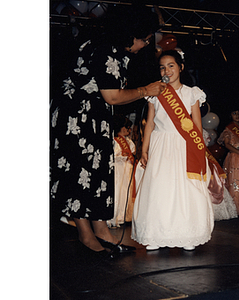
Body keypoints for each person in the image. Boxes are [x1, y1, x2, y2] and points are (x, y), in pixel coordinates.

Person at [50, 4, 167, 257]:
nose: (146, 44)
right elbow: (112, 96)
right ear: (130, 34)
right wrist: (146, 90)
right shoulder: (105, 50)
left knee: (99, 174)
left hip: (94, 118)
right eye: (144, 39)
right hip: (77, 119)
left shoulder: (109, 48)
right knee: (80, 172)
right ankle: (85, 234)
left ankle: (102, 231)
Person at [131, 50, 214, 251]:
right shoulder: (156, 93)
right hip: (160, 145)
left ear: (180, 67)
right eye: (162, 67)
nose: (166, 70)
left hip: (185, 145)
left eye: (171, 65)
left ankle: (187, 235)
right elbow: (149, 124)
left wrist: (200, 149)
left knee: (184, 189)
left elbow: (196, 124)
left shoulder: (192, 93)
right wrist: (144, 148)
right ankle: (156, 235)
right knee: (159, 188)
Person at [217, 108, 239, 216]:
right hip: (235, 157)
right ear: (230, 115)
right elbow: (227, 145)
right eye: (234, 113)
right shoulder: (228, 129)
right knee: (237, 181)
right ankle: (237, 208)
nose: (237, 116)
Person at [107, 115, 136, 228]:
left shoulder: (129, 141)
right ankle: (113, 218)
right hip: (118, 170)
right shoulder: (114, 140)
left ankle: (122, 217)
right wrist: (121, 156)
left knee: (125, 193)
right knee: (117, 192)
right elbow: (112, 155)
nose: (129, 130)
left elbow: (132, 153)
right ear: (121, 128)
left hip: (127, 171)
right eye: (127, 127)